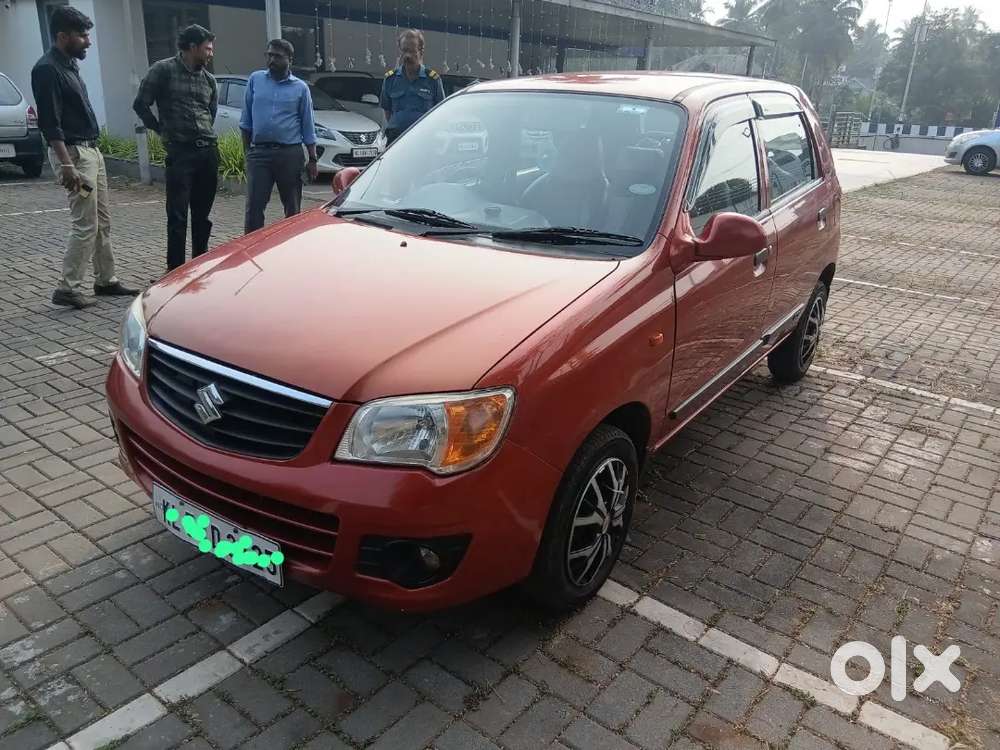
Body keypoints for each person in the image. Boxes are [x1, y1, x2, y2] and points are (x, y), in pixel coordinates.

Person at [30, 7, 137, 309]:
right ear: (63, 36)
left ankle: (106, 280)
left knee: (102, 220)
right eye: (82, 35)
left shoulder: (69, 65)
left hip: (91, 152)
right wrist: (66, 165)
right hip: (75, 157)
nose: (88, 41)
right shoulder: (47, 69)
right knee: (85, 223)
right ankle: (68, 287)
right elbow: (50, 123)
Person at [133, 24, 219, 274]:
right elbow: (140, 104)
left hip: (208, 152)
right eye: (207, 49)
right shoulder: (163, 70)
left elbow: (210, 113)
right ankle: (175, 271)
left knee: (202, 215)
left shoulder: (209, 79)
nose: (210, 54)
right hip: (180, 153)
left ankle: (199, 267)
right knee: (178, 215)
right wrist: (162, 131)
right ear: (192, 47)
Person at [240, 39, 319, 234]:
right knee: (254, 208)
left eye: (277, 56)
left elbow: (308, 126)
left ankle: (290, 251)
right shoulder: (255, 80)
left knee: (292, 209)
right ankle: (251, 252)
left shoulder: (300, 88)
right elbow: (246, 121)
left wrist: (313, 159)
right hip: (259, 154)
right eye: (269, 55)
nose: (271, 60)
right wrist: (247, 153)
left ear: (290, 60)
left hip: (289, 155)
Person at [381, 30, 445, 145]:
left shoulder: (433, 80)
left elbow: (441, 112)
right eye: (404, 51)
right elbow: (387, 110)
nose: (407, 56)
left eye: (411, 51)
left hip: (423, 141)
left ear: (421, 52)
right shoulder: (391, 79)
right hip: (396, 141)